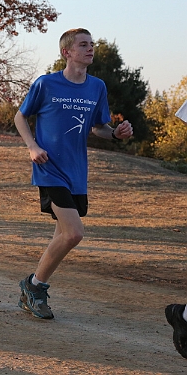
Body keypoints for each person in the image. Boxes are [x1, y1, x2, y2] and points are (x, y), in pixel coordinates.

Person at [14, 28, 133, 319]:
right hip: (48, 168)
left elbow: (98, 128)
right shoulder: (46, 84)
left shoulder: (97, 87)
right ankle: (35, 287)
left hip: (77, 172)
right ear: (67, 52)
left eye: (91, 44)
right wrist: (32, 146)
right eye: (83, 44)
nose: (90, 48)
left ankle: (32, 288)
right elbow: (20, 116)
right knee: (74, 233)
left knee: (63, 235)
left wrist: (116, 134)